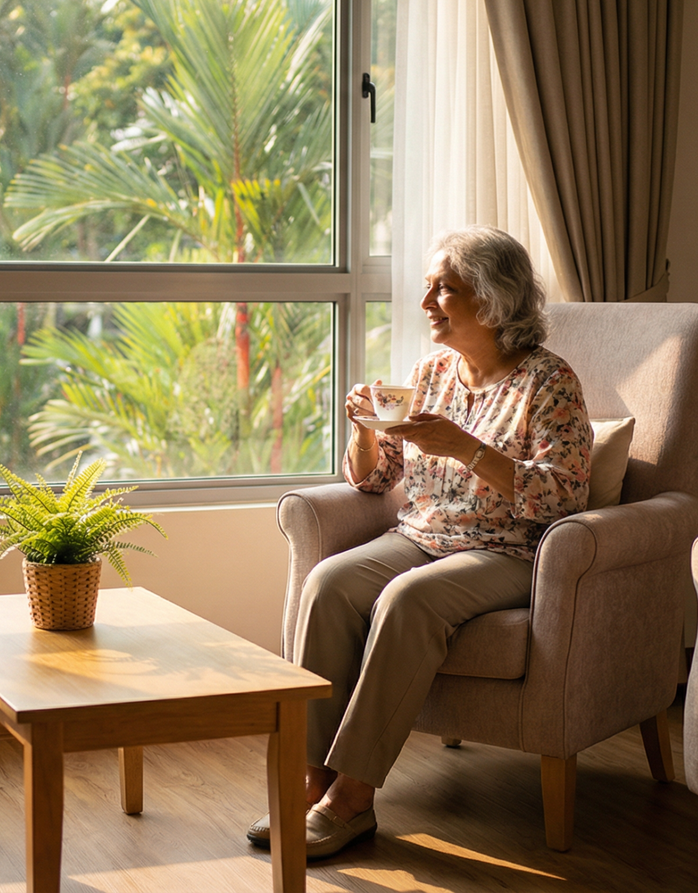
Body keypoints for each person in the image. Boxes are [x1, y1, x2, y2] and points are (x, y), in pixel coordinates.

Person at [247, 225, 592, 858]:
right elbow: (377, 479)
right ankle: (313, 781)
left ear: (490, 300)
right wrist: (366, 430)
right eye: (427, 287)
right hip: (421, 533)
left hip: (507, 549)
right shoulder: (430, 373)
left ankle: (353, 799)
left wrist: (468, 448)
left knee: (408, 600)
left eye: (444, 289)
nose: (426, 302)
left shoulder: (550, 383)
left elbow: (565, 496)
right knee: (328, 583)